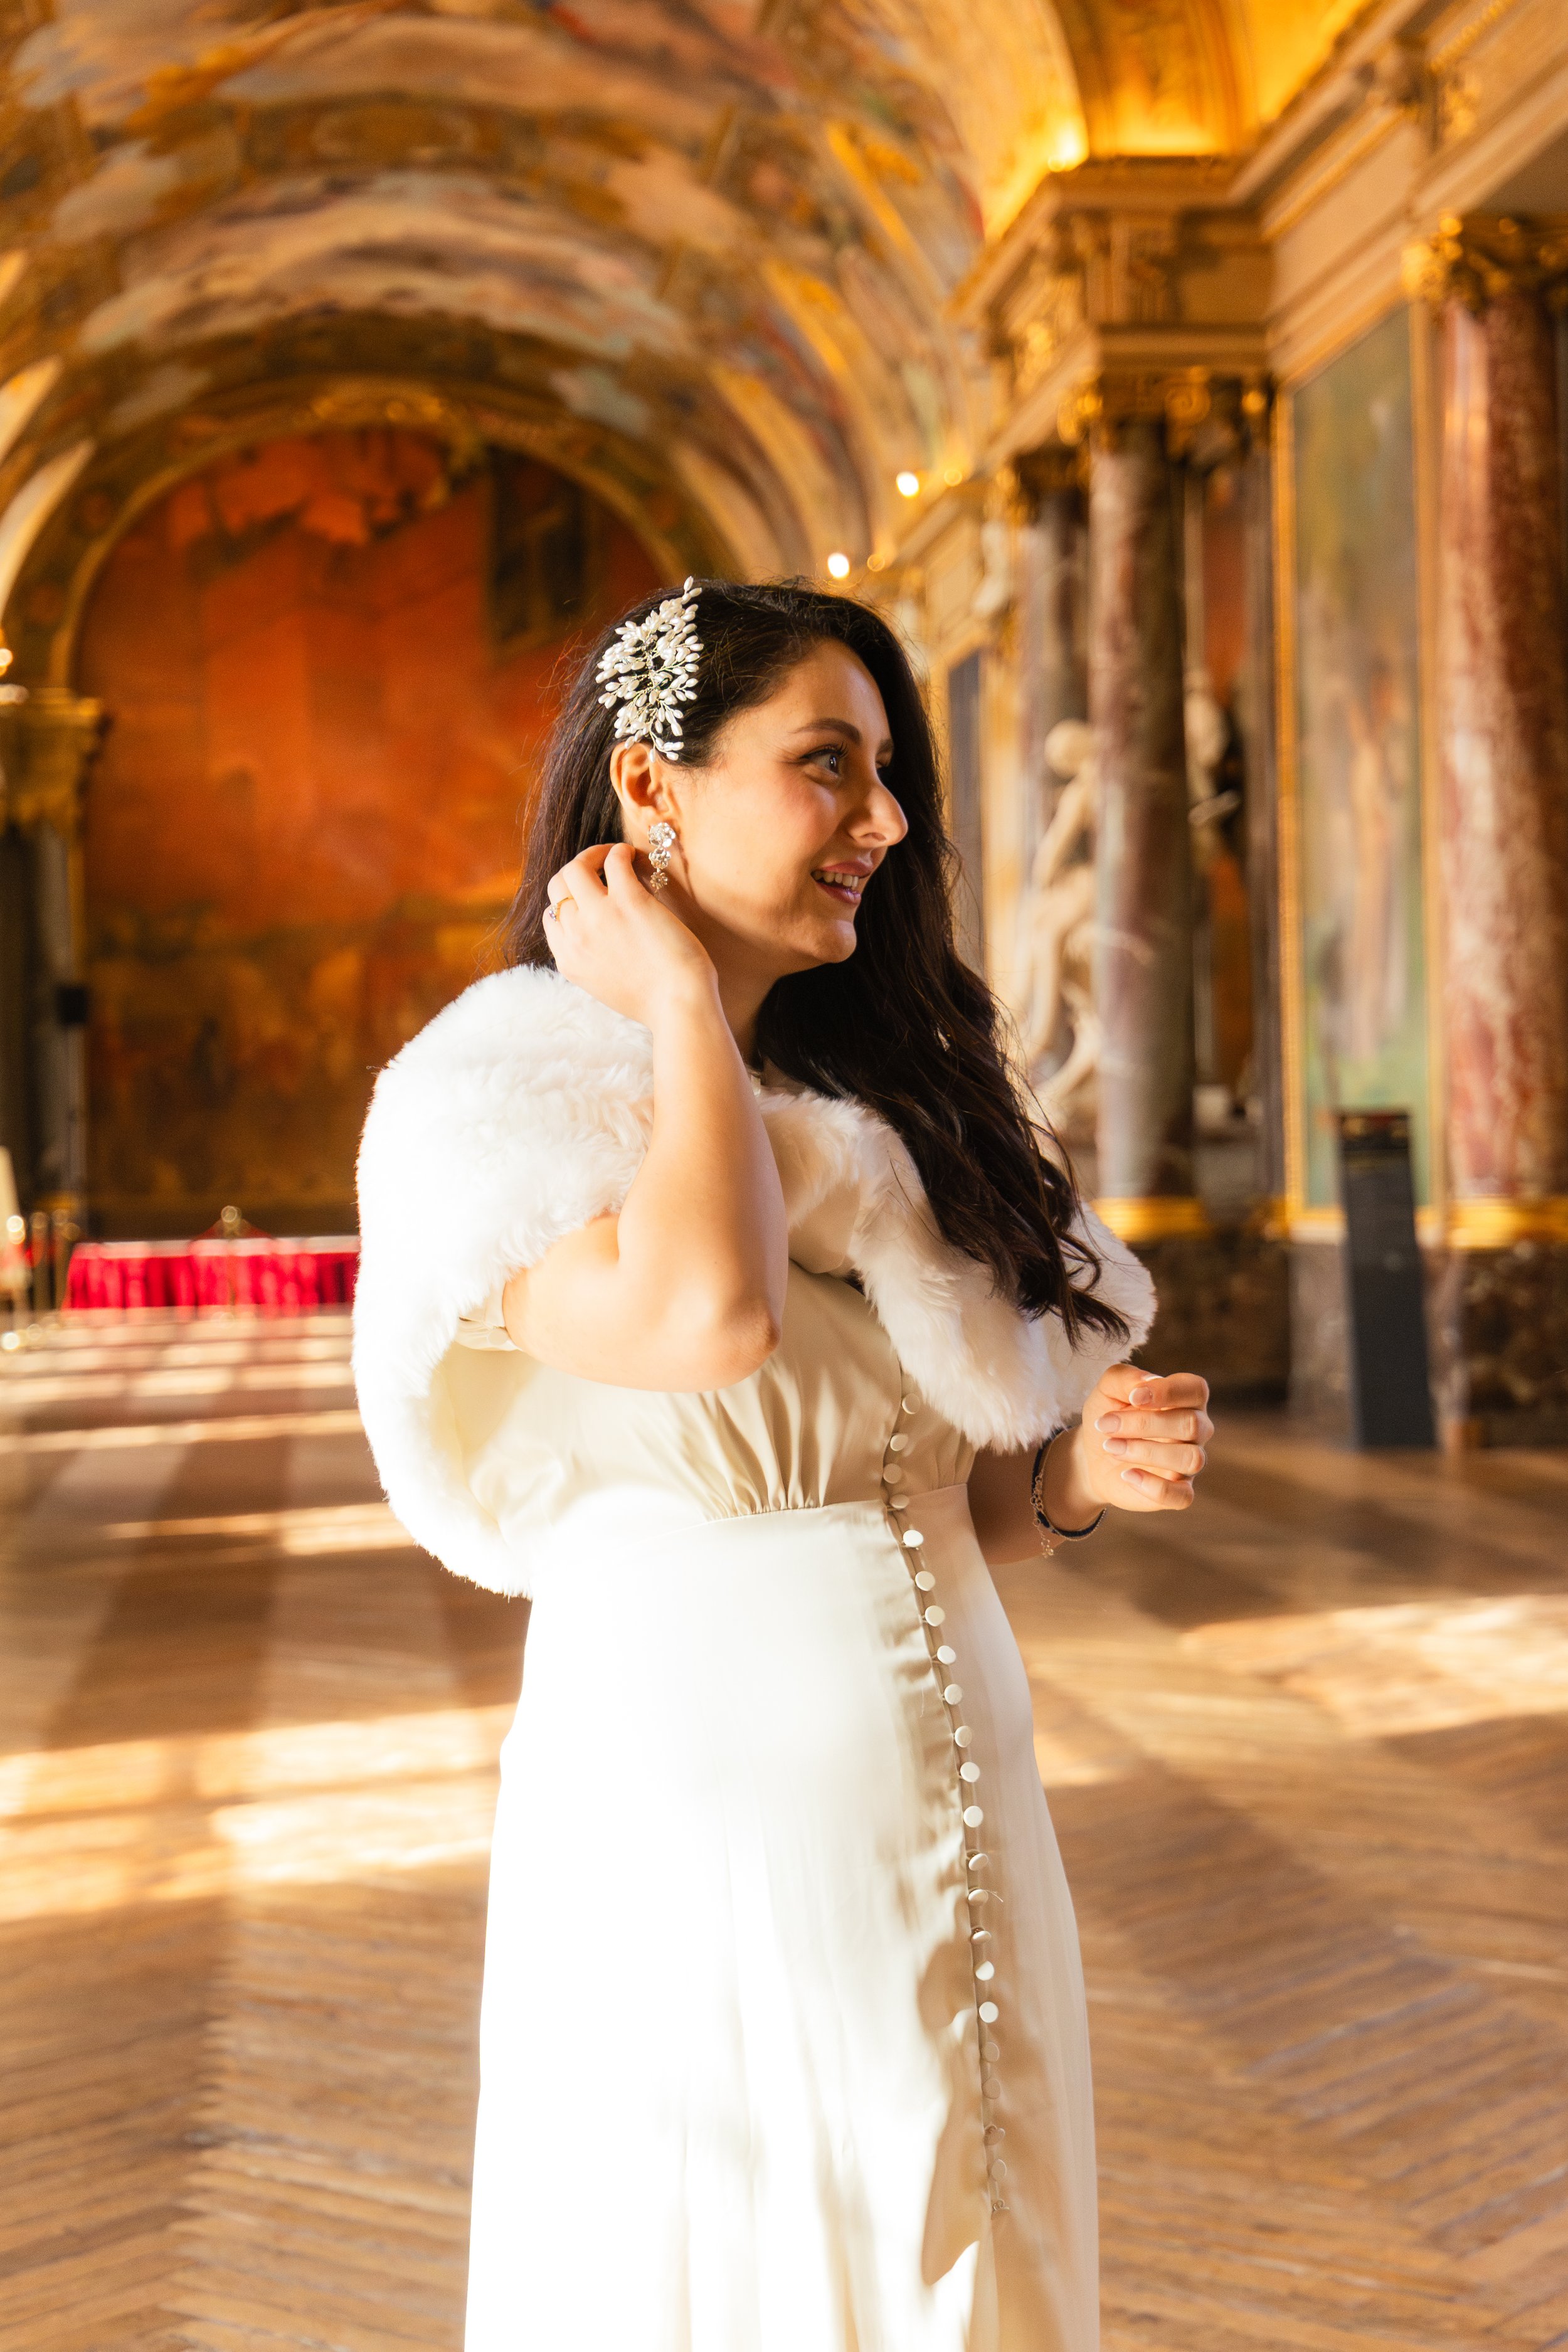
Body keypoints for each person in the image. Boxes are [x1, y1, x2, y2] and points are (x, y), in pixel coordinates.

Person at [352, 578, 1212, 2352]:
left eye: (888, 774)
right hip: (694, 1800)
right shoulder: (497, 1107)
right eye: (829, 765)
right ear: (649, 787)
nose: (884, 822)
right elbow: (705, 1318)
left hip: (959, 1772)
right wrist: (679, 1006)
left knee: (970, 2240)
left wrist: (1079, 1475)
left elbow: (958, 1494)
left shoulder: (894, 1120)